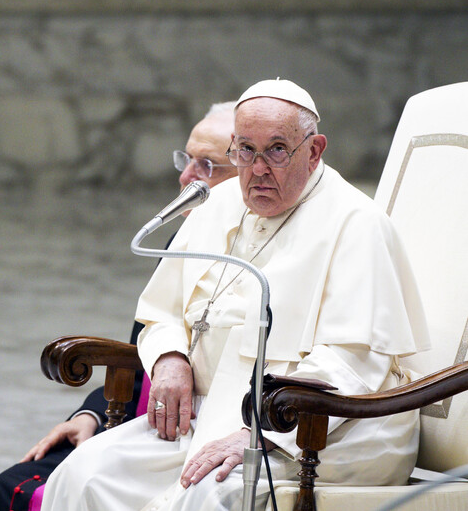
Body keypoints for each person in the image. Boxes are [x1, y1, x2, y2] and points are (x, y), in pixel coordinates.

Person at [40, 79, 430, 511]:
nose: (258, 168)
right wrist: (169, 358)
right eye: (245, 150)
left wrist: (256, 434)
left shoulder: (357, 223)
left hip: (320, 432)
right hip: (208, 414)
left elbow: (353, 363)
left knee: (211, 495)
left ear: (315, 150)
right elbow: (162, 312)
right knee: (82, 474)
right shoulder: (218, 203)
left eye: (277, 150)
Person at [0, 102, 238, 511]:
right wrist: (92, 415)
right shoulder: (186, 237)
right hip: (140, 420)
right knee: (11, 486)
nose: (187, 177)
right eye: (186, 160)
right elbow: (142, 354)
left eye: (208, 165)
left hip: (204, 438)